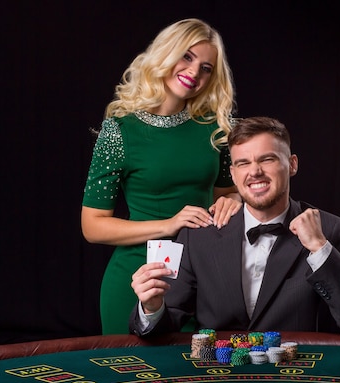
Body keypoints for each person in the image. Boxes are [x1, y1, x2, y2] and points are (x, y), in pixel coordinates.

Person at [129, 116, 340, 341]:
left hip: (296, 376)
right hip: (217, 376)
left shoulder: (329, 230)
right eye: (243, 163)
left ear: (292, 165)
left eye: (267, 159)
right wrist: (151, 308)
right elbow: (166, 326)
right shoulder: (198, 236)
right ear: (233, 174)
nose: (255, 172)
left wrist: (319, 247)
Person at [81, 18, 242, 335]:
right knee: (134, 382)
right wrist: (169, 224)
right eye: (187, 56)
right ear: (165, 54)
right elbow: (92, 225)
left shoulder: (218, 128)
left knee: (199, 378)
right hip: (138, 274)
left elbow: (227, 195)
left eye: (206, 68)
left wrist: (234, 199)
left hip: (203, 277)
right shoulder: (119, 131)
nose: (195, 73)